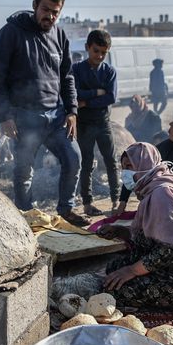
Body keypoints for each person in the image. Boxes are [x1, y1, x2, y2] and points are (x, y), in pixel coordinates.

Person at [0, 0, 91, 226]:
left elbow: (67, 77)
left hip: (56, 117)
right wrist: (5, 116)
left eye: (56, 12)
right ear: (35, 5)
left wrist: (72, 111)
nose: (50, 17)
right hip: (24, 117)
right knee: (24, 169)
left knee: (74, 158)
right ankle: (26, 214)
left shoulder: (60, 36)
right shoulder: (11, 33)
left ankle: (66, 209)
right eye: (46, 10)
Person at [98, 142, 173, 308]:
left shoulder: (162, 194)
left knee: (112, 290)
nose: (125, 172)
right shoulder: (157, 186)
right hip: (168, 265)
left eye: (129, 166)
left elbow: (171, 249)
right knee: (113, 268)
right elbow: (153, 233)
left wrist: (132, 271)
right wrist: (120, 231)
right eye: (123, 167)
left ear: (145, 164)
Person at [73, 29, 119, 217]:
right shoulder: (76, 70)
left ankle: (116, 201)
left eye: (103, 52)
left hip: (102, 122)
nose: (99, 56)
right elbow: (74, 94)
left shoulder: (109, 72)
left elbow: (111, 97)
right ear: (87, 48)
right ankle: (87, 204)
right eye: (96, 51)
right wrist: (96, 93)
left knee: (111, 161)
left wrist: (87, 102)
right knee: (86, 163)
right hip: (83, 124)